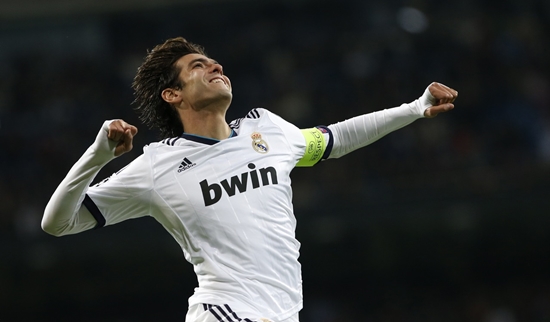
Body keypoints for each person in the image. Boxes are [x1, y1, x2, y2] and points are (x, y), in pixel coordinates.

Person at [42, 37, 458, 322]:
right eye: (197, 66)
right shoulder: (157, 165)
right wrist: (98, 155)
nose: (214, 66)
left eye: (213, 62)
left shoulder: (267, 130)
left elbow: (337, 138)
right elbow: (57, 222)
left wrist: (413, 108)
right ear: (174, 95)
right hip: (225, 311)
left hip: (280, 311)